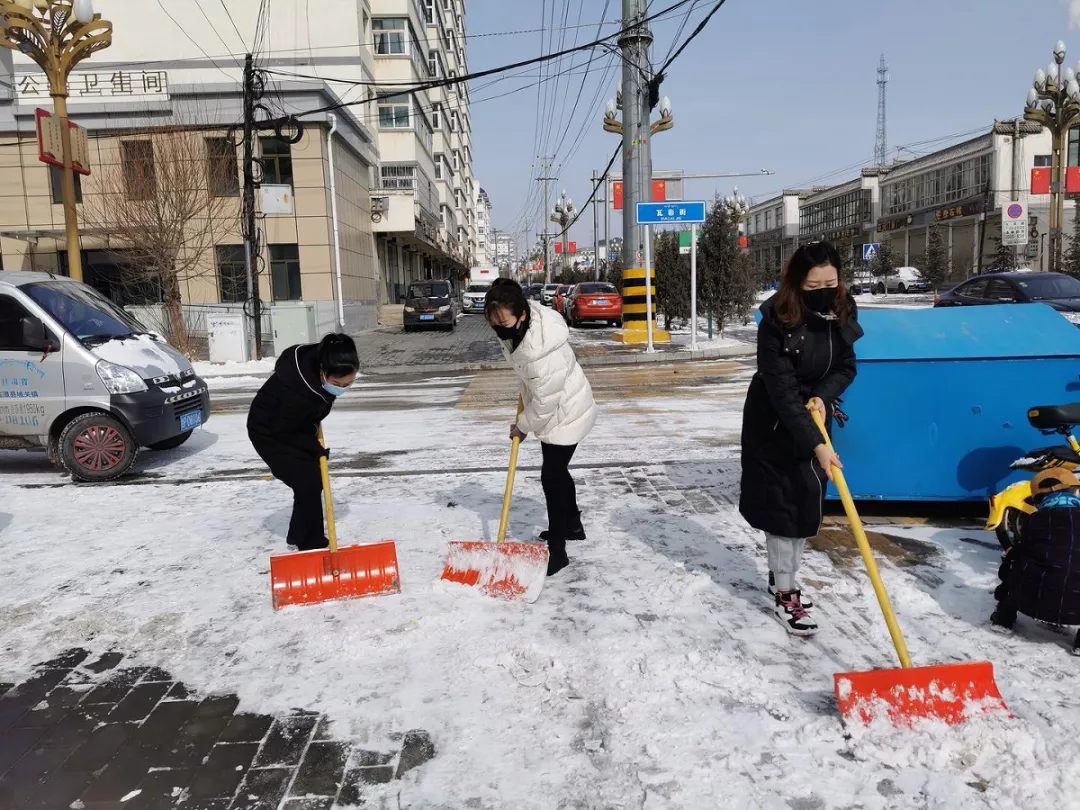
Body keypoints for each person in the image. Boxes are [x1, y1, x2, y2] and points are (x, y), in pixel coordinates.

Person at [739, 241, 863, 636]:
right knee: (783, 510)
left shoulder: (842, 307)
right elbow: (780, 391)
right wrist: (819, 444)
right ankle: (786, 591)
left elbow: (846, 367)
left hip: (813, 415)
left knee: (806, 503)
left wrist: (823, 397)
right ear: (796, 284)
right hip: (774, 423)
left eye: (832, 281)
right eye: (814, 286)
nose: (825, 290)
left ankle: (781, 577)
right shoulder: (776, 318)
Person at [484, 278, 597, 576]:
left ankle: (558, 551)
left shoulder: (540, 351)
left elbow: (546, 402)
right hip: (557, 406)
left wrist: (521, 425)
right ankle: (572, 524)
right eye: (493, 322)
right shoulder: (522, 324)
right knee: (557, 472)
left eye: (503, 322)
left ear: (521, 314)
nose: (498, 328)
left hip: (565, 413)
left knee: (552, 476)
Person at [247, 333, 359, 551]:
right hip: (269, 432)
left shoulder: (328, 356)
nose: (342, 388)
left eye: (349, 383)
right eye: (337, 383)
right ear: (321, 371)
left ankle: (299, 534)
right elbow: (286, 430)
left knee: (311, 481)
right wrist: (314, 448)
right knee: (307, 482)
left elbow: (302, 421)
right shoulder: (297, 392)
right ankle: (311, 543)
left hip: (298, 424)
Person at [991, 468, 1080, 655]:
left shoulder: (1036, 519)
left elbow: (1020, 554)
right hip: (1076, 609)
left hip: (1034, 601)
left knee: (1014, 561)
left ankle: (1004, 617)